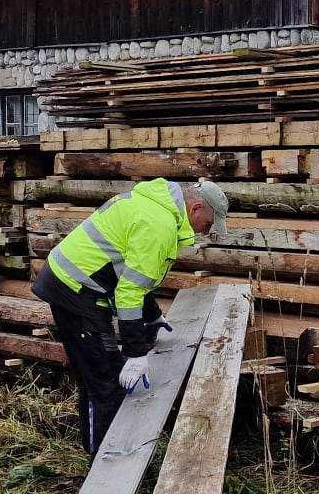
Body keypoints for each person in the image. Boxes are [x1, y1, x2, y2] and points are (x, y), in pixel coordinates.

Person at [33, 175, 230, 455]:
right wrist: (136, 353)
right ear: (196, 208)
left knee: (100, 374)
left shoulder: (158, 208)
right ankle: (102, 466)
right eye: (208, 224)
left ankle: (101, 452)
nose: (206, 231)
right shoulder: (158, 225)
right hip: (75, 290)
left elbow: (134, 271)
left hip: (80, 286)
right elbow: (129, 292)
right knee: (105, 381)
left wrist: (152, 316)